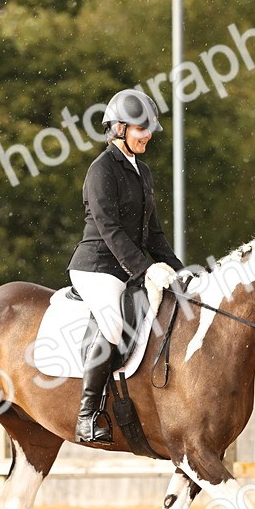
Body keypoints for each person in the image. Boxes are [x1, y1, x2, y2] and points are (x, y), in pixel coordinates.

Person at [67, 89, 185, 445]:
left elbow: (154, 233)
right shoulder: (101, 170)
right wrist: (144, 269)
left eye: (149, 129)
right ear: (119, 128)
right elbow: (110, 228)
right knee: (115, 325)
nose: (148, 135)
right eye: (141, 129)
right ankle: (86, 415)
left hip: (124, 268)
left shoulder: (142, 171)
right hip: (96, 266)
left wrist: (181, 271)